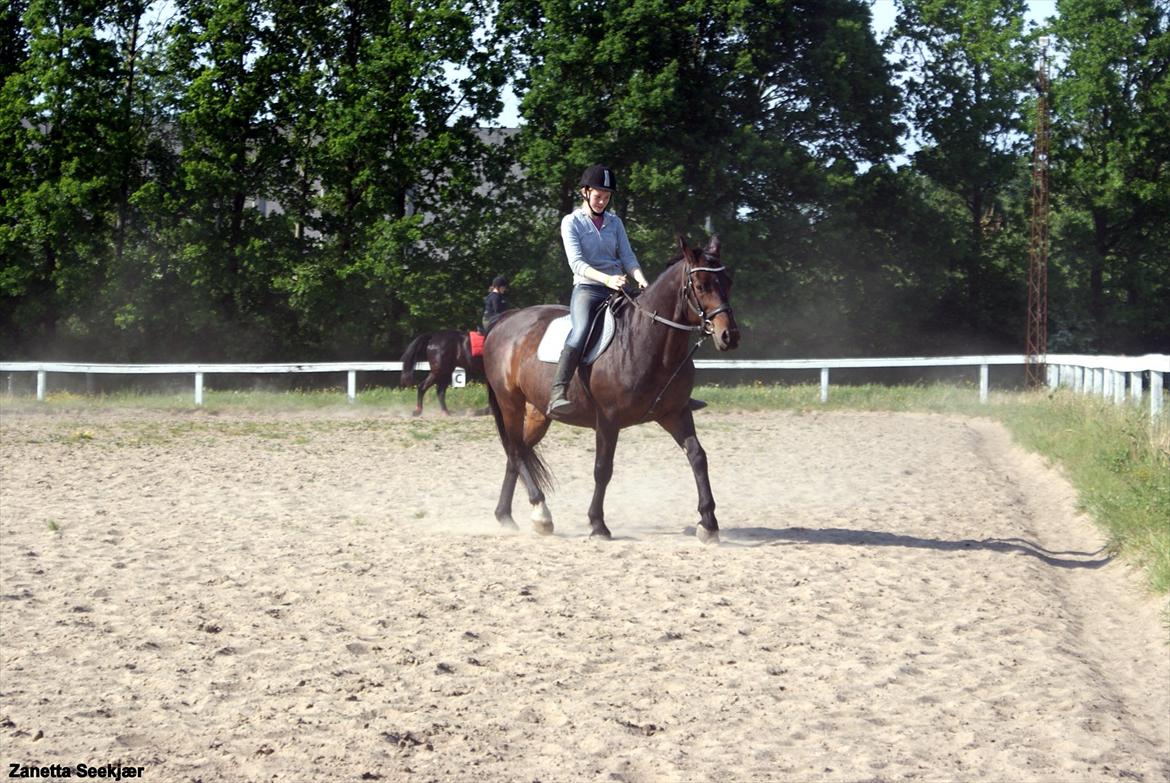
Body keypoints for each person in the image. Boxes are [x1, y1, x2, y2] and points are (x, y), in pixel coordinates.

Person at [547, 164, 649, 419]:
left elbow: (628, 256)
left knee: (650, 323)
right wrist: (606, 279)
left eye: (607, 197)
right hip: (588, 289)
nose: (602, 201)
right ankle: (558, 392)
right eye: (598, 196)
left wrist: (641, 279)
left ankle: (667, 390)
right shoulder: (571, 222)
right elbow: (577, 264)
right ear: (585, 192)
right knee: (580, 331)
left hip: (618, 287)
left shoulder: (615, 222)